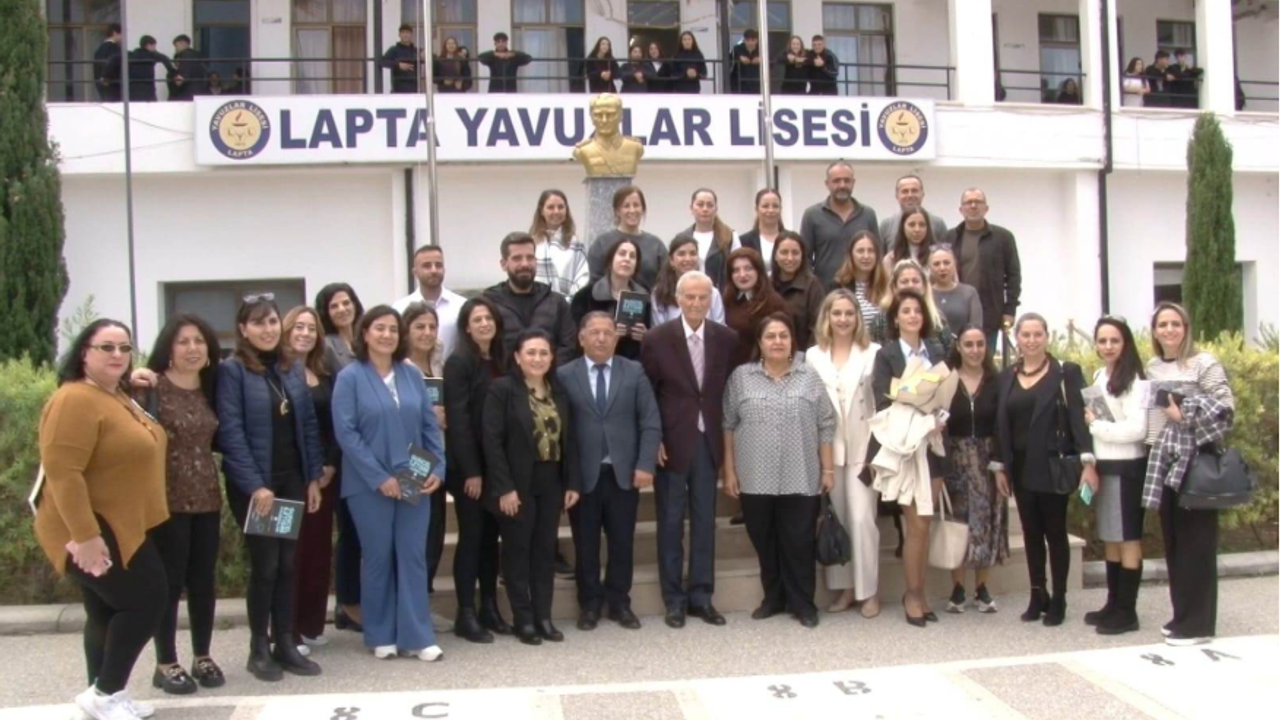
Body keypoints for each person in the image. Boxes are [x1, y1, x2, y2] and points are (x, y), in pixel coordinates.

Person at [37, 319, 168, 720]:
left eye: (124, 348)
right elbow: (63, 473)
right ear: (84, 352)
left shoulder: (113, 395)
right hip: (89, 527)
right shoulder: (74, 399)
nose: (117, 355)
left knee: (105, 613)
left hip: (120, 521)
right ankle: (105, 692)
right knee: (147, 601)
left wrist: (135, 384)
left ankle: (105, 694)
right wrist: (86, 536)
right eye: (106, 347)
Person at [216, 295, 324, 680]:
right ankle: (258, 648)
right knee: (266, 566)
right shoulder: (232, 371)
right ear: (243, 329)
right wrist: (255, 485)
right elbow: (231, 433)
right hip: (257, 488)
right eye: (258, 323)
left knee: (287, 564)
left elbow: (307, 425)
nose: (267, 329)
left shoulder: (289, 367)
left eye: (272, 321)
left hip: (290, 480)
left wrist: (312, 477)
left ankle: (285, 643)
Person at [331, 306, 446, 661]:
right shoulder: (350, 377)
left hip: (413, 473)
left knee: (412, 555)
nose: (387, 335)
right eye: (379, 328)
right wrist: (380, 477)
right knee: (378, 556)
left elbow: (429, 425)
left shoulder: (411, 375)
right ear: (365, 333)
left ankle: (417, 635)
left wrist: (438, 467)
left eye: (393, 329)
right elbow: (346, 433)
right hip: (368, 482)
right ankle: (380, 633)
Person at [126, 315, 224, 696]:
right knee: (169, 583)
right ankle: (166, 663)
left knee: (203, 581)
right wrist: (129, 379)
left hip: (207, 497)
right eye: (183, 341)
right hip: (166, 500)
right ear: (169, 347)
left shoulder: (211, 386)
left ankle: (203, 655)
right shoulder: (152, 387)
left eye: (199, 341)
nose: (192, 348)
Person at [724, 313, 836, 628]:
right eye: (770, 336)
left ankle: (803, 604)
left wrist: (828, 470)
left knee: (799, 541)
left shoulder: (808, 377)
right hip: (754, 476)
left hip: (801, 474)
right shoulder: (741, 377)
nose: (777, 341)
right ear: (759, 343)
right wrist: (729, 471)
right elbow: (728, 424)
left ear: (792, 342)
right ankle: (773, 598)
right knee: (764, 540)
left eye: (783, 336)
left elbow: (826, 423)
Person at [641, 271, 738, 629]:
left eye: (703, 297)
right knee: (670, 522)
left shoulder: (726, 338)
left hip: (708, 440)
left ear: (711, 300)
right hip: (670, 441)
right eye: (690, 297)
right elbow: (647, 394)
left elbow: (728, 390)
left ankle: (701, 597)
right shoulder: (656, 338)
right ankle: (674, 600)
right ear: (678, 299)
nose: (696, 303)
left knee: (704, 521)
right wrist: (653, 440)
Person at [558, 312, 662, 631]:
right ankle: (589, 604)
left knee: (622, 541)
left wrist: (645, 464)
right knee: (585, 544)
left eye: (607, 332)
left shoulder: (634, 371)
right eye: (594, 332)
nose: (601, 338)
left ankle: (619, 602)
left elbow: (650, 420)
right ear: (581, 338)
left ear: (616, 339)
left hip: (623, 473)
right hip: (583, 476)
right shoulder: (564, 375)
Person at [994, 313, 1096, 627]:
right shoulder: (1007, 376)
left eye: (1037, 334)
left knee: (1055, 533)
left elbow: (1079, 419)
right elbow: (1000, 425)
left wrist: (1088, 461)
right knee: (1031, 533)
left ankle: (1060, 598)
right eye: (1025, 335)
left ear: (1046, 337)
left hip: (1052, 465)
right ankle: (1038, 593)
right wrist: (1000, 467)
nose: (1031, 340)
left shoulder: (1066, 372)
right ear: (1017, 338)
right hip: (1021, 467)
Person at [1144, 302, 1235, 646]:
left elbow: (1226, 406)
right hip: (1163, 461)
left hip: (1196, 461)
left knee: (1198, 544)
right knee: (1174, 543)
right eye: (1162, 324)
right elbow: (1152, 417)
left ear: (1186, 328)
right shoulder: (1152, 367)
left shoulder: (1204, 363)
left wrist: (1184, 412)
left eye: (1175, 323)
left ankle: (1198, 624)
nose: (1169, 330)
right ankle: (1181, 615)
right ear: (1154, 331)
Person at [483, 330, 582, 644]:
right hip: (517, 483)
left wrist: (572, 482)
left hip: (551, 481)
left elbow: (570, 440)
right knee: (517, 552)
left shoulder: (559, 391)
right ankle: (523, 620)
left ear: (552, 358)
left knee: (544, 552)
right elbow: (492, 442)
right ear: (517, 356)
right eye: (531, 352)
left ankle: (543, 617)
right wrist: (504, 488)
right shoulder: (502, 390)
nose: (537, 358)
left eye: (543, 353)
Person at [870, 290, 948, 627]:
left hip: (934, 446)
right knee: (914, 523)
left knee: (925, 523)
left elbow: (947, 393)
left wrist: (940, 416)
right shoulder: (886, 355)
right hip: (905, 447)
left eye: (917, 310)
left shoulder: (937, 350)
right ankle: (912, 595)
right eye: (906, 311)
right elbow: (883, 401)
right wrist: (919, 418)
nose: (913, 315)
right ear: (896, 318)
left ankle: (921, 593)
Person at [807, 290, 882, 617]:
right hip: (829, 452)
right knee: (836, 519)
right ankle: (845, 589)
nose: (843, 319)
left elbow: (880, 404)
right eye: (836, 313)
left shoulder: (873, 353)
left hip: (864, 449)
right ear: (827, 317)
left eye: (849, 313)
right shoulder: (813, 356)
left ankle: (869, 591)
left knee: (862, 519)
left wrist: (878, 452)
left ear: (858, 317)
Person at [443, 298, 513, 643]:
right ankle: (465, 613)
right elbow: (458, 421)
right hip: (469, 468)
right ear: (467, 328)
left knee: (490, 538)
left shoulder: (502, 359)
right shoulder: (459, 362)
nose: (484, 323)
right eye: (477, 319)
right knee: (471, 537)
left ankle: (489, 606)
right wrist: (472, 471)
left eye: (488, 318)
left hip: (497, 466)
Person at [278, 307, 341, 654]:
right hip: (285, 477)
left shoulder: (324, 374)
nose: (304, 333)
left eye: (311, 328)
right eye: (298, 327)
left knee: (317, 552)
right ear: (286, 330)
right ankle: (284, 630)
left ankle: (310, 624)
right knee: (286, 555)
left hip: (322, 477)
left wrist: (329, 464)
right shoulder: (273, 374)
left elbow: (333, 425)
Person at [1082, 317, 1149, 636]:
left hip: (1128, 467)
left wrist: (1097, 426)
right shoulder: (1099, 375)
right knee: (1110, 535)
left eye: (1114, 340)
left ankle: (1127, 610)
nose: (1108, 346)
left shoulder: (1136, 380)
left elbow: (1138, 429)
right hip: (1105, 465)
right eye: (1102, 341)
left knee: (1128, 537)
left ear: (1126, 343)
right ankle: (1113, 602)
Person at [942, 326, 1009, 615]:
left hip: (987, 461)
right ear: (959, 347)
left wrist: (1000, 465)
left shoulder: (998, 382)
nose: (974, 350)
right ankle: (957, 588)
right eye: (968, 344)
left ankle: (982, 588)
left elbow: (1003, 426)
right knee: (957, 523)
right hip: (954, 459)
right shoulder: (946, 379)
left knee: (987, 521)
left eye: (980, 344)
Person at [402, 303, 449, 623]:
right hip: (412, 459)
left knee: (434, 533)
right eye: (420, 326)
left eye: (432, 326)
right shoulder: (400, 368)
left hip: (437, 456)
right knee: (413, 535)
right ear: (406, 331)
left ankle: (423, 604)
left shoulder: (438, 362)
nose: (427, 333)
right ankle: (410, 610)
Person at [483, 232, 578, 366]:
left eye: (530, 257)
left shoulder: (556, 302)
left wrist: (543, 370)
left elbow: (569, 345)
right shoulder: (489, 303)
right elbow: (481, 347)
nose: (525, 264)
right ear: (504, 264)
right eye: (517, 258)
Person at [943, 188, 1021, 351]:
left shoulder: (1003, 237)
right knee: (952, 359)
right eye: (968, 202)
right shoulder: (949, 237)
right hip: (956, 310)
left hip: (989, 313)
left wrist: (1010, 310)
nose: (973, 206)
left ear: (986, 208)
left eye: (978, 202)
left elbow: (1013, 276)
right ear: (961, 209)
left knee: (984, 358)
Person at [800, 161, 880, 289]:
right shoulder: (812, 215)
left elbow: (877, 253)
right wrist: (812, 288)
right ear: (827, 184)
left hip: (862, 291)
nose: (842, 185)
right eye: (836, 181)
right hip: (825, 292)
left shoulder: (868, 214)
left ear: (853, 183)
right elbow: (805, 258)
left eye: (847, 180)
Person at [571, 238, 650, 360]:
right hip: (594, 359)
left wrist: (646, 336)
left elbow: (653, 336)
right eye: (622, 254)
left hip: (632, 363)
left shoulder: (645, 298)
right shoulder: (585, 296)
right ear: (610, 260)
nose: (627, 259)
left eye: (632, 256)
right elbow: (575, 336)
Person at [393, 245, 467, 359]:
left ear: (444, 269)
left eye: (438, 265)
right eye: (427, 266)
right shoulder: (400, 308)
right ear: (415, 272)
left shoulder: (461, 306)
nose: (434, 270)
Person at [588, 185, 669, 290]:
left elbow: (665, 281)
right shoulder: (602, 243)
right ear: (617, 211)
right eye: (626, 206)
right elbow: (594, 282)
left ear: (643, 209)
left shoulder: (656, 245)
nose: (632, 210)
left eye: (636, 205)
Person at [869, 259, 955, 357]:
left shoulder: (937, 319)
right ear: (894, 287)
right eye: (904, 281)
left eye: (915, 281)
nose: (910, 285)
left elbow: (950, 354)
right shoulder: (880, 320)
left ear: (924, 286)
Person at [723, 248, 789, 369]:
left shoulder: (774, 303)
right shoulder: (727, 300)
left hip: (763, 370)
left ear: (758, 271)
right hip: (732, 369)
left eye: (748, 268)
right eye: (736, 270)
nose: (742, 275)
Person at [674, 188, 741, 292]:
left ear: (716, 209)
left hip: (722, 296)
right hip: (690, 295)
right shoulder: (682, 238)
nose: (705, 209)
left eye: (710, 205)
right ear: (691, 208)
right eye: (700, 204)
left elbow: (738, 267)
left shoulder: (730, 236)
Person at [651, 235, 727, 326]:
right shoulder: (659, 293)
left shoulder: (712, 292)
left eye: (693, 253)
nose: (688, 259)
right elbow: (658, 329)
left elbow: (719, 327)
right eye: (681, 254)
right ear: (671, 260)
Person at [528, 190, 588, 297]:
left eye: (560, 207)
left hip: (567, 303)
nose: (556, 211)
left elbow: (583, 278)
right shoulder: (531, 244)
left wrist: (568, 301)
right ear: (541, 211)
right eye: (550, 207)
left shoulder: (575, 244)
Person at [771, 232, 824, 352]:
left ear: (802, 256)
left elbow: (818, 327)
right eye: (784, 252)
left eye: (795, 253)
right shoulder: (767, 285)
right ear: (775, 255)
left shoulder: (812, 286)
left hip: (803, 356)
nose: (790, 258)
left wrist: (807, 357)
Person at [833, 230, 890, 330]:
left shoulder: (887, 287)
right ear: (851, 255)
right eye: (860, 251)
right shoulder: (837, 287)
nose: (866, 256)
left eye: (871, 251)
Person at [878, 175, 950, 253]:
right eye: (905, 191)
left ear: (922, 194)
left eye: (914, 191)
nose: (910, 195)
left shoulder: (938, 224)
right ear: (897, 196)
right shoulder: (886, 225)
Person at [928, 245, 983, 336]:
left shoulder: (969, 293)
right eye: (936, 264)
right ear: (930, 267)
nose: (942, 268)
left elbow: (976, 328)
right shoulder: (925, 294)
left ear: (954, 264)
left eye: (946, 263)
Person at [317, 283, 364, 377]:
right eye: (334, 306)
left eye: (346, 303)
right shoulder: (326, 347)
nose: (342, 309)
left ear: (354, 305)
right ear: (326, 312)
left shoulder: (365, 339)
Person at [739, 188, 784, 277]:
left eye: (775, 206)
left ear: (780, 209)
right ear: (756, 209)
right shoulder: (743, 241)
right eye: (765, 206)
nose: (771, 210)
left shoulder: (791, 239)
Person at [127, 36, 178, 102]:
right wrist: (174, 73)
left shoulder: (132, 55)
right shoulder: (152, 55)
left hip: (132, 91)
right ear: (148, 45)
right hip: (148, 90)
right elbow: (166, 60)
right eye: (154, 46)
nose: (155, 49)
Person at [382, 24, 421, 94]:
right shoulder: (394, 49)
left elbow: (434, 58)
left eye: (407, 32)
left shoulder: (416, 51)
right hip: (398, 89)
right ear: (399, 35)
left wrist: (425, 55)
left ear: (411, 35)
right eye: (403, 32)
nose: (405, 35)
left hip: (414, 89)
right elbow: (382, 61)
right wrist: (398, 65)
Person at [166, 35, 205, 101]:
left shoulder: (185, 54)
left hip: (188, 93)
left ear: (182, 43)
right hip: (200, 90)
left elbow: (182, 77)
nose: (175, 49)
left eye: (176, 46)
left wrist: (176, 80)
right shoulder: (197, 54)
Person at [93, 23, 123, 101]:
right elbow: (114, 63)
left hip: (100, 84)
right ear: (115, 33)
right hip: (112, 84)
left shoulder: (99, 49)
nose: (122, 37)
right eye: (121, 34)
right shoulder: (114, 48)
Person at [728, 29, 761, 94]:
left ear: (757, 40)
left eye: (753, 40)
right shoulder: (737, 49)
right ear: (744, 40)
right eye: (748, 40)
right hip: (739, 86)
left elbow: (771, 62)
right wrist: (738, 58)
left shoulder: (762, 50)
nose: (750, 43)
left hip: (757, 86)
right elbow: (729, 61)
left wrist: (763, 60)